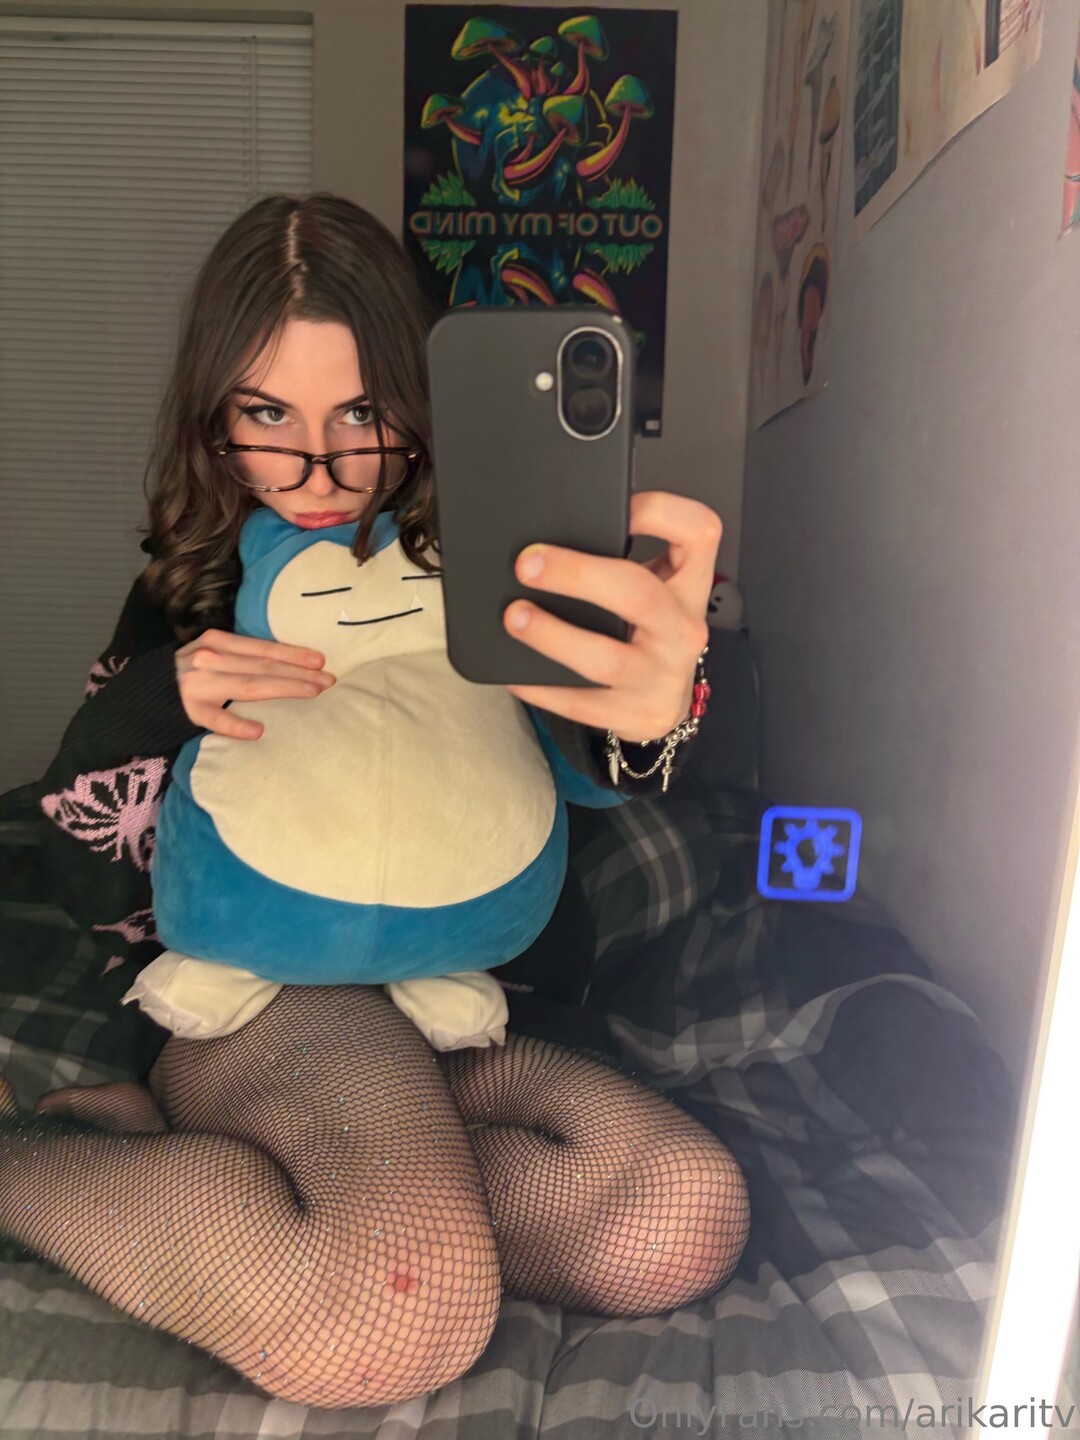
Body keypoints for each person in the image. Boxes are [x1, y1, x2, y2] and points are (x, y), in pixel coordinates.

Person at [0, 193, 750, 1411]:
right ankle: (25, 1156)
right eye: (267, 416)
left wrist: (663, 712)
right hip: (267, 998)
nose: (320, 471)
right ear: (214, 418)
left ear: (419, 397)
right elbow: (82, 833)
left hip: (460, 995)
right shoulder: (193, 584)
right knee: (388, 1313)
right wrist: (157, 698)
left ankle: (283, 1173)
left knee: (677, 1216)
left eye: (360, 413)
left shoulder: (502, 560)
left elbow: (608, 760)